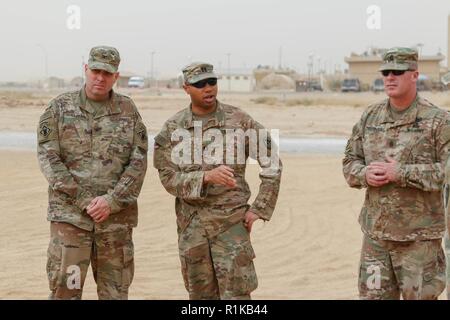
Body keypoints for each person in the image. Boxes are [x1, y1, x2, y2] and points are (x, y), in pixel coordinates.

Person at [153, 62, 282, 299]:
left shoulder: (240, 121)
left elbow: (272, 162)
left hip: (231, 226)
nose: (208, 88)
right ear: (186, 88)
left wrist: (260, 208)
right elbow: (168, 177)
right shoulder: (173, 128)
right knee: (200, 298)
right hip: (193, 229)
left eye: (212, 82)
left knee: (237, 297)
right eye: (199, 84)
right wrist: (204, 178)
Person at [37, 46, 148, 299]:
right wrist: (85, 201)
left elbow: (138, 162)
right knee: (66, 290)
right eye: (96, 71)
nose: (100, 78)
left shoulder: (128, 111)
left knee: (115, 293)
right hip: (71, 221)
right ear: (86, 70)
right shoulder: (59, 108)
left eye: (107, 73)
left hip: (115, 223)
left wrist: (111, 201)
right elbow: (49, 159)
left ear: (116, 77)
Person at [343, 47, 450, 300]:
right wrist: (364, 174)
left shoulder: (438, 121)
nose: (390, 77)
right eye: (386, 72)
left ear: (414, 75)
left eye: (398, 72)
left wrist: (401, 172)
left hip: (419, 242)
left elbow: (446, 171)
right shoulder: (370, 117)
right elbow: (350, 161)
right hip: (376, 240)